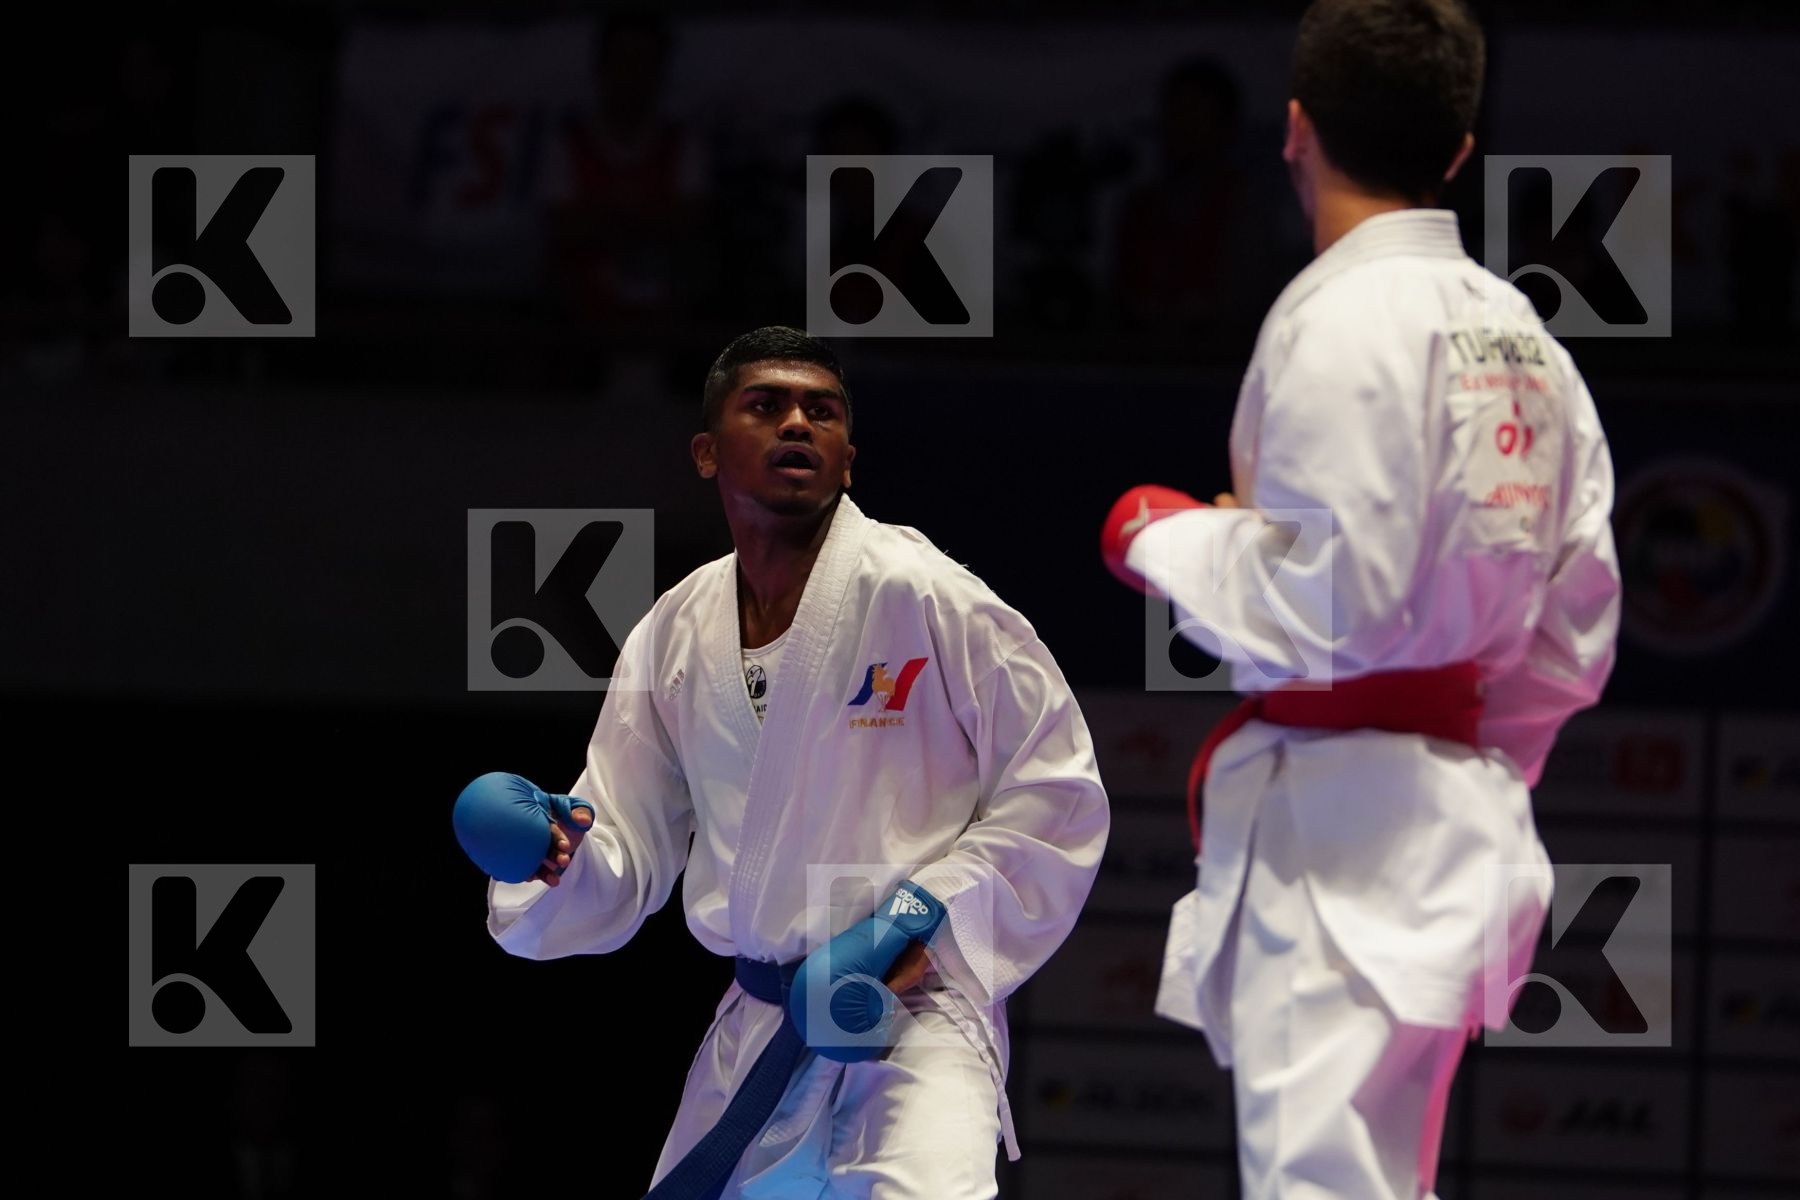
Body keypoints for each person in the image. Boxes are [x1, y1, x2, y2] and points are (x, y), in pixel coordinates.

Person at [1098, 2, 1622, 1197]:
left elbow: (1338, 600)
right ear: (1459, 150)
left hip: (1345, 844)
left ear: (1295, 129)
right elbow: (1577, 631)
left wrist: (1167, 541)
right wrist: (1464, 750)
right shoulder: (1527, 337)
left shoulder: (1338, 317)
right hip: (1459, 819)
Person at [457, 325, 1110, 1198]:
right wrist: (560, 855)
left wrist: (916, 916)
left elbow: (1055, 792)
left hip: (913, 1019)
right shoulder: (675, 632)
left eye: (822, 411)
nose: (797, 424)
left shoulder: (925, 595)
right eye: (766, 406)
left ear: (847, 459)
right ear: (706, 451)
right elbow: (626, 831)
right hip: (762, 1024)